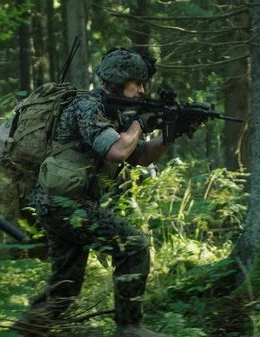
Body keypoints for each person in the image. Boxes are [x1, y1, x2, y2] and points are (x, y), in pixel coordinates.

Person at [14, 48, 168, 337]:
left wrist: (171, 133)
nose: (143, 90)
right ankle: (130, 327)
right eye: (137, 83)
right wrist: (141, 122)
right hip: (65, 206)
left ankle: (20, 332)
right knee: (132, 246)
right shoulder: (88, 106)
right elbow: (118, 151)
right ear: (120, 79)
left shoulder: (115, 113)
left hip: (60, 205)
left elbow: (143, 155)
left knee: (64, 291)